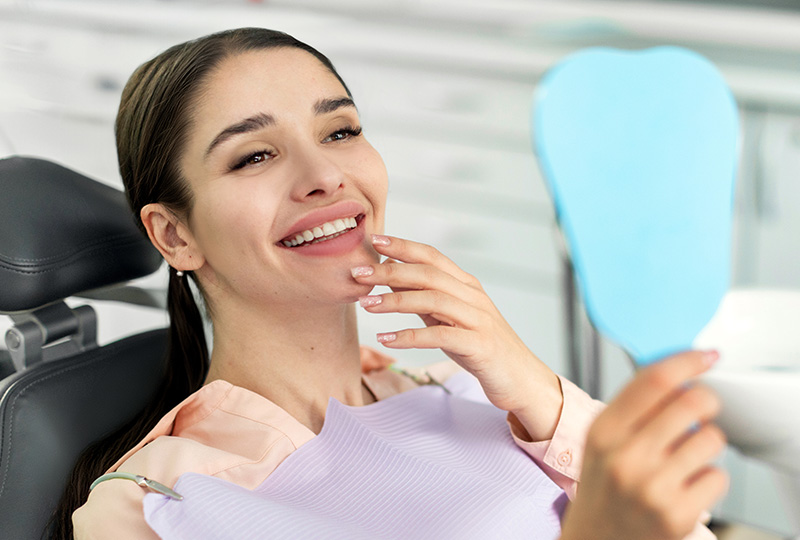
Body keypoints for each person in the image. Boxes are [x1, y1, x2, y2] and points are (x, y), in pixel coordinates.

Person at [53, 27, 727, 539]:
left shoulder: (477, 392)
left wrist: (531, 383)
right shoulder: (151, 502)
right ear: (175, 235)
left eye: (340, 130)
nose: (325, 175)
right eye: (254, 154)